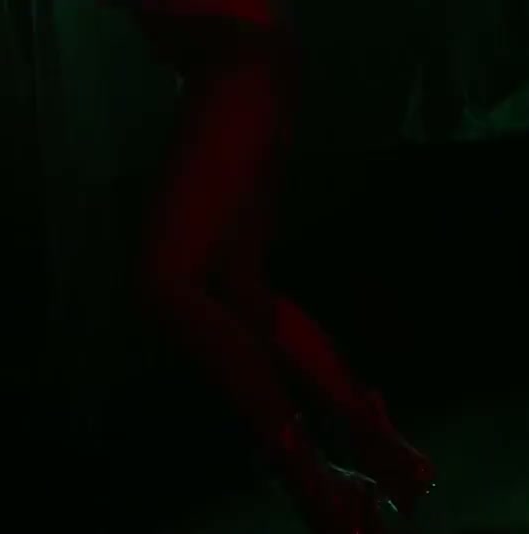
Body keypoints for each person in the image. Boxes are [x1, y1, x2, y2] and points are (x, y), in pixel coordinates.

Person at [124, 2, 433, 531]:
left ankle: (322, 482)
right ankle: (372, 446)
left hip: (233, 54)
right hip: (245, 52)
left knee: (171, 280)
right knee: (234, 285)